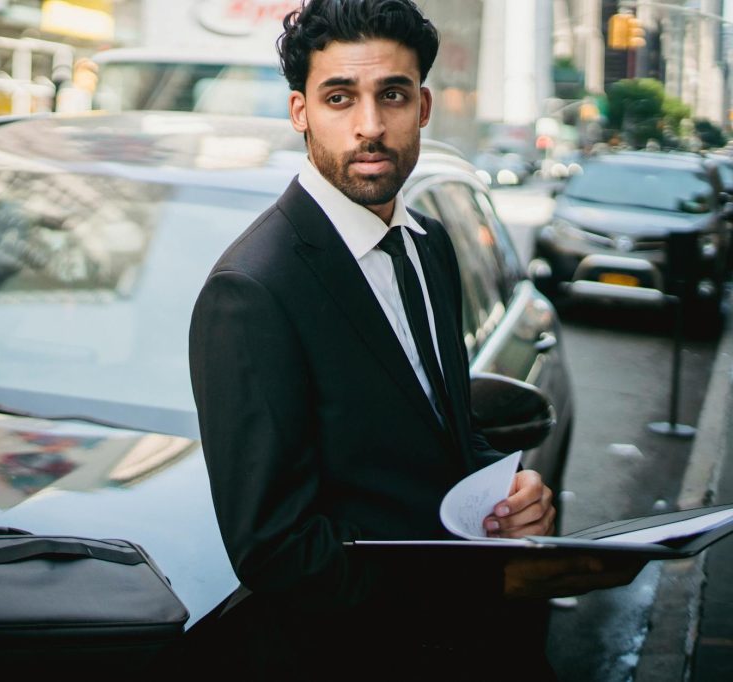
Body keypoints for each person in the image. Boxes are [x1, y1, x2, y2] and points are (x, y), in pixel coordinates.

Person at [188, 0, 642, 678]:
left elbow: (444, 429)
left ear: (423, 107)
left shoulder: (429, 248)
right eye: (339, 97)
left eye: (392, 95)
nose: (369, 127)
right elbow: (278, 552)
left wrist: (512, 491)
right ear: (300, 112)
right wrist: (474, 584)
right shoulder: (252, 292)